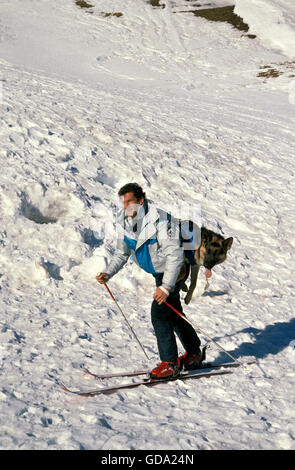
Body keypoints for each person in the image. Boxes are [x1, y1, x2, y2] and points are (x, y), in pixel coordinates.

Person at [96, 183, 202, 379]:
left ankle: (169, 364)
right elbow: (122, 251)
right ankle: (194, 353)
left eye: (130, 201)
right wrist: (108, 273)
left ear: (141, 201)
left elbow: (175, 256)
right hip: (159, 272)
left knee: (160, 313)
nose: (126, 206)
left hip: (175, 270)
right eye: (123, 202)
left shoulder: (161, 222)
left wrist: (166, 286)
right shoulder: (126, 221)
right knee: (173, 312)